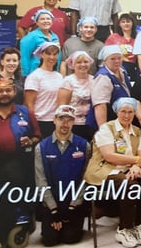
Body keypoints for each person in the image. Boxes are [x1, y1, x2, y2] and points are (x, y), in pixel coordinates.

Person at [0, 77, 41, 244]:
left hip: (14, 159)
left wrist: (30, 141)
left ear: (14, 92)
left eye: (8, 90)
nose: (4, 94)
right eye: (0, 91)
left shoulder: (25, 112)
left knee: (9, 185)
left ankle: (2, 228)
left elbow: (37, 136)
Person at [84, 97, 141, 248]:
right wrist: (135, 161)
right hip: (105, 170)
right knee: (129, 185)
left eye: (130, 112)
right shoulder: (106, 129)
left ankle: (140, 225)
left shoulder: (137, 131)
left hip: (127, 170)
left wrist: (137, 167)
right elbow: (109, 156)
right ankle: (124, 228)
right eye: (123, 111)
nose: (127, 115)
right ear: (117, 111)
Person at [34, 105, 89, 246]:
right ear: (54, 120)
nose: (65, 123)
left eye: (69, 120)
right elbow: (41, 181)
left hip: (74, 203)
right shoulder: (41, 147)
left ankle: (72, 223)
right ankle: (53, 221)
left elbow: (86, 178)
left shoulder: (84, 145)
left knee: (70, 238)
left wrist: (73, 206)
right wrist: (53, 210)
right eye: (61, 119)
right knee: (50, 240)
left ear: (74, 122)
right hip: (52, 203)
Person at [86, 45, 141, 131]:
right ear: (105, 60)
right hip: (104, 124)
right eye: (113, 59)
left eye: (119, 58)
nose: (117, 61)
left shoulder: (122, 71)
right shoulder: (103, 77)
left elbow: (130, 99)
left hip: (119, 123)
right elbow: (100, 106)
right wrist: (103, 130)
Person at [24, 42, 63, 138]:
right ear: (42, 54)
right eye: (48, 54)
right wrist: (36, 129)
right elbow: (29, 105)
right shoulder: (34, 76)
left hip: (56, 122)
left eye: (54, 54)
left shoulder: (59, 76)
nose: (52, 57)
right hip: (40, 122)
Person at [57, 51, 95, 142]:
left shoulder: (94, 79)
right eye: (79, 62)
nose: (83, 65)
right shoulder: (68, 81)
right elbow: (62, 106)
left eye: (86, 62)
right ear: (73, 64)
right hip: (74, 125)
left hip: (91, 123)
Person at [20, 9, 61, 76]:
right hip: (35, 73)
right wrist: (25, 75)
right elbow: (25, 57)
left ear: (52, 21)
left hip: (51, 73)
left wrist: (56, 72)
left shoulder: (55, 37)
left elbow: (58, 56)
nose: (46, 21)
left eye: (48, 19)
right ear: (37, 22)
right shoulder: (31, 37)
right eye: (42, 19)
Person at [105, 13, 139, 80]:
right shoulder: (113, 37)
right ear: (119, 24)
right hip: (118, 67)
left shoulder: (138, 37)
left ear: (132, 23)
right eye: (123, 22)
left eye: (128, 21)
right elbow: (106, 53)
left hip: (134, 68)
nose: (126, 24)